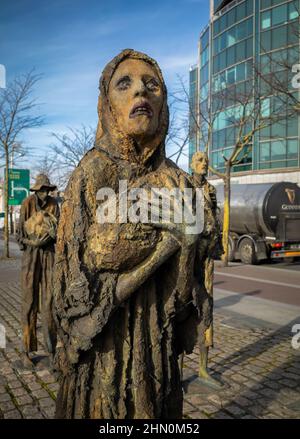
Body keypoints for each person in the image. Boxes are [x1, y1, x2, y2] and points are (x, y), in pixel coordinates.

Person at [53, 49, 209, 419]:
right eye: (125, 84)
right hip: (103, 355)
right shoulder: (91, 173)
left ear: (164, 103)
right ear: (108, 104)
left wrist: (187, 249)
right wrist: (163, 248)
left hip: (158, 356)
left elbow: (184, 300)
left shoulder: (179, 181)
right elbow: (77, 296)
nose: (141, 91)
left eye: (151, 85)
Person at [16, 174, 59, 368]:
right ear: (35, 190)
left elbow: (57, 231)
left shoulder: (54, 205)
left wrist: (48, 239)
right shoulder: (27, 204)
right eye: (41, 190)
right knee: (29, 303)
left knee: (49, 303)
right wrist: (33, 242)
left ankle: (52, 350)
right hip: (31, 258)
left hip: (49, 257)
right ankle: (26, 351)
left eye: (46, 190)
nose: (44, 193)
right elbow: (19, 235)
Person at [191, 151, 223, 388]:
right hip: (189, 256)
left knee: (207, 309)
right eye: (200, 161)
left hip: (206, 259)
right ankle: (175, 370)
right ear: (192, 164)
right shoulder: (183, 185)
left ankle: (203, 368)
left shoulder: (210, 190)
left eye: (207, 162)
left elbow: (215, 217)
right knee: (182, 307)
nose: (204, 165)